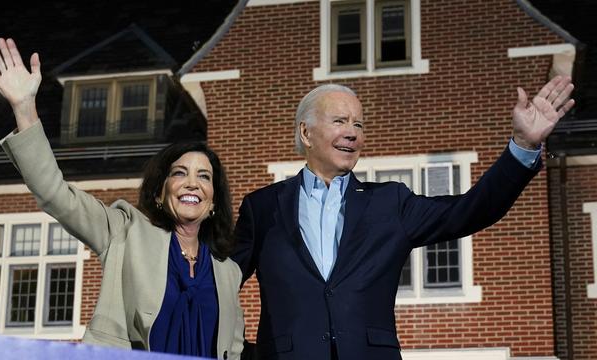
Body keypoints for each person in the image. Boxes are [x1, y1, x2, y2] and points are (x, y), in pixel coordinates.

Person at [232, 80, 575, 360]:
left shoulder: (390, 203)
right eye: (339, 121)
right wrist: (238, 350)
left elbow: (472, 209)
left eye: (359, 124)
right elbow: (219, 282)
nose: (353, 132)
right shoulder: (262, 207)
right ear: (306, 133)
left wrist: (523, 145)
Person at [0, 38, 244, 359]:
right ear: (160, 193)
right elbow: (55, 194)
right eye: (179, 173)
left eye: (204, 176)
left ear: (214, 201)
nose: (192, 184)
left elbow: (233, 350)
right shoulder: (124, 232)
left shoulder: (228, 272)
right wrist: (24, 107)